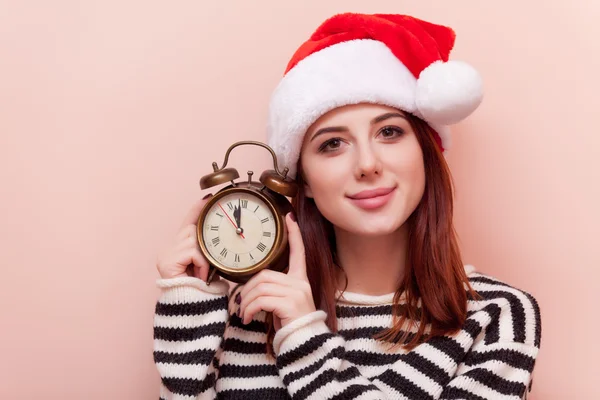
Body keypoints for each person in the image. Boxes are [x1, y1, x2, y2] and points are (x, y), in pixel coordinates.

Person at [153, 12, 542, 400]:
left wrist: (303, 339)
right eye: (332, 144)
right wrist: (186, 317)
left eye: (389, 132)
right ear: (301, 181)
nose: (367, 165)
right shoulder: (248, 311)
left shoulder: (498, 315)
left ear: (425, 152)